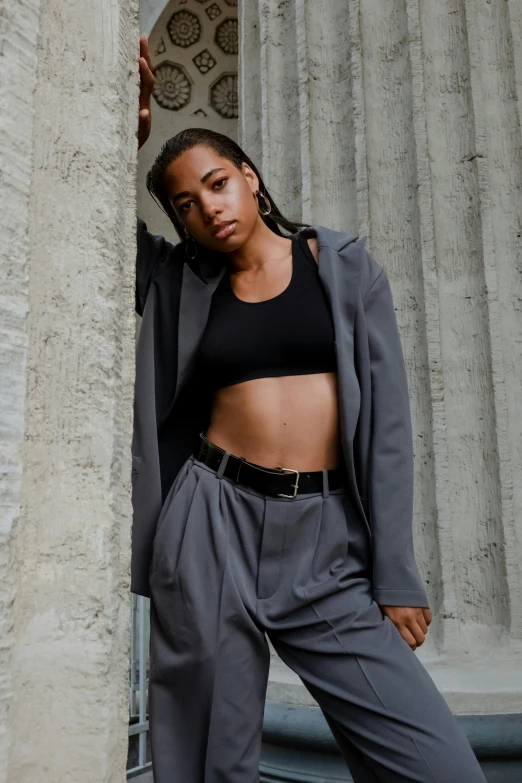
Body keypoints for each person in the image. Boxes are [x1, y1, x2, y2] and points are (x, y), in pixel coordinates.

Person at [133, 34, 487, 783]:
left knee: (438, 765)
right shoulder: (181, 285)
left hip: (325, 543)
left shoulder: (344, 269)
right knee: (207, 763)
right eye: (186, 204)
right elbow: (104, 239)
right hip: (211, 522)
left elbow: (388, 427)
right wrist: (128, 129)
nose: (208, 209)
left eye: (218, 183)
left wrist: (395, 570)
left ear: (251, 179)